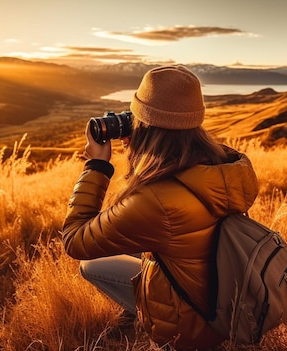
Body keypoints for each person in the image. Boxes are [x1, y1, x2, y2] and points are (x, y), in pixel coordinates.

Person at [61, 65, 259, 350]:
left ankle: (154, 321)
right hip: (226, 301)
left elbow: (75, 240)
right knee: (133, 244)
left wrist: (97, 166)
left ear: (146, 124)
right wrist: (142, 150)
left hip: (192, 328)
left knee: (90, 264)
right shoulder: (223, 166)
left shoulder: (157, 200)